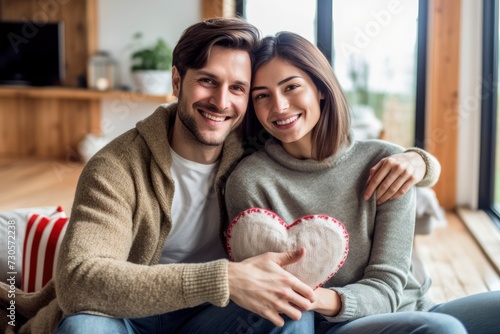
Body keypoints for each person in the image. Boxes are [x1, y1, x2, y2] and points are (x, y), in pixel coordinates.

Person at [0, 18, 439, 334]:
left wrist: (419, 160)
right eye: (207, 81)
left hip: (217, 315)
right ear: (177, 81)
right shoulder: (117, 168)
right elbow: (80, 282)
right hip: (132, 313)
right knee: (81, 328)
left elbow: (327, 155)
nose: (221, 101)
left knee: (286, 309)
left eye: (239, 89)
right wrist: (224, 278)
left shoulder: (250, 147)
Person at [224, 31, 500, 334]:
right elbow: (271, 291)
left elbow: (387, 288)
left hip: (416, 308)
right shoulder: (250, 182)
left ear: (321, 88)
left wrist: (421, 161)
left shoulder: (387, 163)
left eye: (291, 87)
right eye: (262, 95)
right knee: (443, 330)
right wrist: (311, 298)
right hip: (336, 324)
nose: (279, 106)